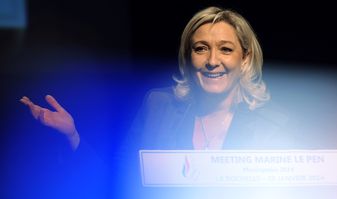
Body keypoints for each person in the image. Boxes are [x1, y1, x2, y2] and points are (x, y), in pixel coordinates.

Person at [21, 6, 296, 153]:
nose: (212, 60)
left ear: (245, 58)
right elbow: (120, 184)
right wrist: (73, 135)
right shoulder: (159, 106)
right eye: (201, 48)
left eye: (226, 49)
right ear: (188, 56)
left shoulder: (275, 123)